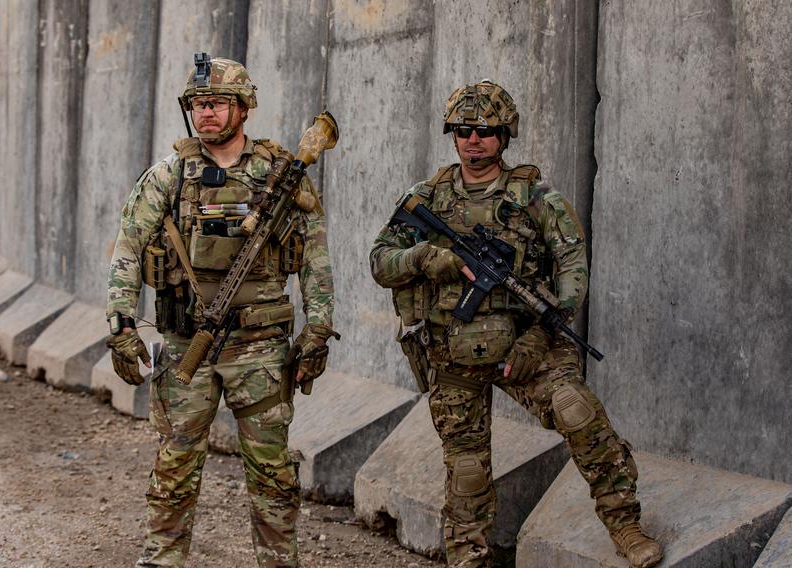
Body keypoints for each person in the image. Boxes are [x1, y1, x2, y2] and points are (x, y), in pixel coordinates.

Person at [369, 80, 663, 568]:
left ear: (504, 137)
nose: (473, 140)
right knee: (465, 469)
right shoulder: (426, 199)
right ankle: (468, 557)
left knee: (576, 411)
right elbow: (380, 261)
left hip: (527, 343)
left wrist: (540, 336)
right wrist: (425, 257)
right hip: (452, 351)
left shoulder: (537, 199)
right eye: (463, 130)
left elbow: (572, 272)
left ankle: (625, 524)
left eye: (486, 131)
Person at [105, 55, 337, 568]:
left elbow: (315, 255)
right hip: (189, 339)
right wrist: (121, 323)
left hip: (260, 346)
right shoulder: (170, 175)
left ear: (243, 108)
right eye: (198, 104)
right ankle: (162, 559)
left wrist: (319, 326)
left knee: (272, 473)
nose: (205, 113)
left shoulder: (280, 176)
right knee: (174, 465)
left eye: (216, 103)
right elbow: (128, 245)